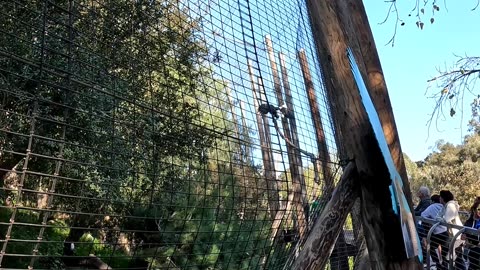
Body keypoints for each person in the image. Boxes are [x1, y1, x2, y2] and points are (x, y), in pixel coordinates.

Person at [436, 190, 464, 270]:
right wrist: (441, 218)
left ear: (443, 198)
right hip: (453, 235)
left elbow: (446, 220)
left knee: (453, 258)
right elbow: (437, 217)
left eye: (440, 197)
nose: (439, 199)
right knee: (455, 258)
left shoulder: (451, 206)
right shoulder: (446, 206)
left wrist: (441, 219)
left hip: (457, 236)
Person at [421, 194, 445, 266]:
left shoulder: (432, 207)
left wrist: (430, 221)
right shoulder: (444, 206)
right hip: (445, 231)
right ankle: (443, 263)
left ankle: (437, 262)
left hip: (437, 231)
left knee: (430, 247)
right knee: (444, 248)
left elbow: (423, 215)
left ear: (432, 201)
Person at [462, 201, 480, 270]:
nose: (476, 212)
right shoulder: (470, 220)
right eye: (475, 209)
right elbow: (464, 233)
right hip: (471, 249)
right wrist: (464, 235)